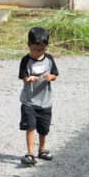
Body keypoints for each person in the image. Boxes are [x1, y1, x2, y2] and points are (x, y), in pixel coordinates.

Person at [18, 26, 58, 165]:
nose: (37, 52)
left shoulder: (49, 59)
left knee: (44, 127)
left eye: (41, 50)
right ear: (29, 45)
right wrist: (30, 79)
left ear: (46, 47)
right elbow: (24, 77)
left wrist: (50, 77)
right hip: (29, 100)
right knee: (30, 126)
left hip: (45, 100)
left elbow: (55, 75)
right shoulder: (26, 60)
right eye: (34, 49)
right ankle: (30, 153)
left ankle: (42, 149)